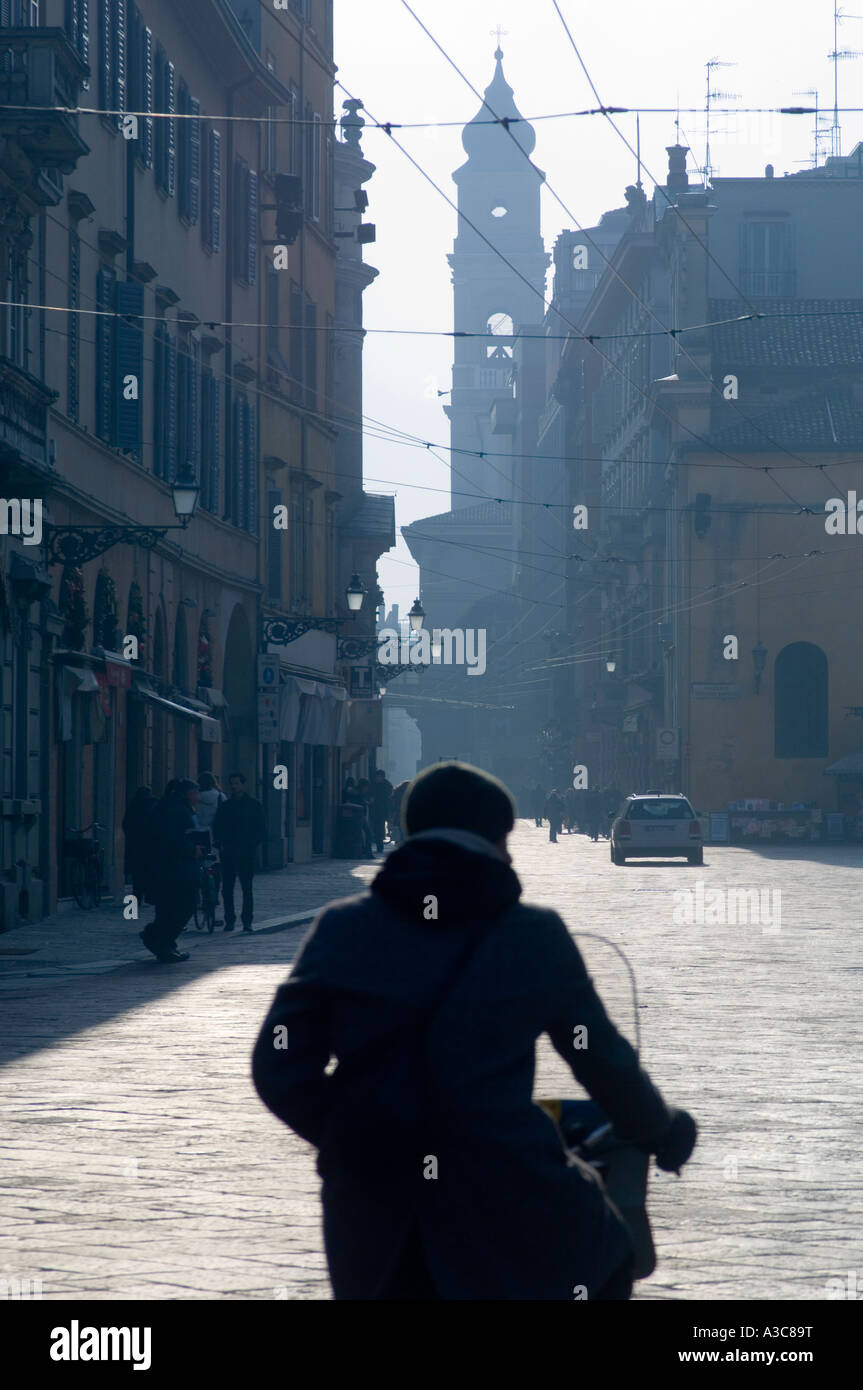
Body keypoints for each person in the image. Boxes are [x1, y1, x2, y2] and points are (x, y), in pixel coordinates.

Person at [251, 761, 696, 1301]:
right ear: (495, 839)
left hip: (371, 1205)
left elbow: (278, 1065)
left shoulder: (344, 927)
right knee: (608, 1255)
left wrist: (358, 1136)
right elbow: (603, 1061)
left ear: (411, 831)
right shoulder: (532, 935)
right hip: (506, 1182)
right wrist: (664, 1130)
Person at [139, 779, 205, 964]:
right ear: (186, 794)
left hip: (165, 869)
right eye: (195, 793)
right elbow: (172, 838)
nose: (197, 797)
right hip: (175, 869)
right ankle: (159, 940)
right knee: (184, 906)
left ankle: (164, 944)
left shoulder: (168, 808)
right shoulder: (177, 811)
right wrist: (192, 849)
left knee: (167, 908)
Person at [213, 772, 266, 933]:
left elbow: (261, 827)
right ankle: (230, 920)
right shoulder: (225, 806)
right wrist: (220, 843)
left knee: (247, 888)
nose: (234, 786)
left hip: (247, 852)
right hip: (228, 851)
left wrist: (253, 844)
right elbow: (218, 826)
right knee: (227, 888)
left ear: (243, 784)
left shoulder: (254, 805)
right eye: (232, 783)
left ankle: (247, 921)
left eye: (237, 783)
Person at [122, 786, 155, 906]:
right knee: (149, 870)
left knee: (137, 872)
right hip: (150, 844)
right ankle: (148, 894)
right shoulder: (153, 805)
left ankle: (137, 896)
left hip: (136, 844)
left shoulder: (133, 806)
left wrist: (131, 837)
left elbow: (125, 824)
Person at [371, 769, 394, 854]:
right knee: (376, 829)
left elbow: (389, 797)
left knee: (380, 829)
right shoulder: (374, 785)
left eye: (378, 776)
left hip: (384, 810)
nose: (377, 778)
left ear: (382, 777)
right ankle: (378, 845)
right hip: (375, 810)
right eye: (376, 776)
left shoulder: (387, 785)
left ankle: (380, 847)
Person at [389, 781, 410, 846]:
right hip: (404, 814)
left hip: (397, 815)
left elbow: (393, 805)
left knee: (399, 830)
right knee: (405, 831)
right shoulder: (407, 794)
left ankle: (398, 843)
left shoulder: (396, 793)